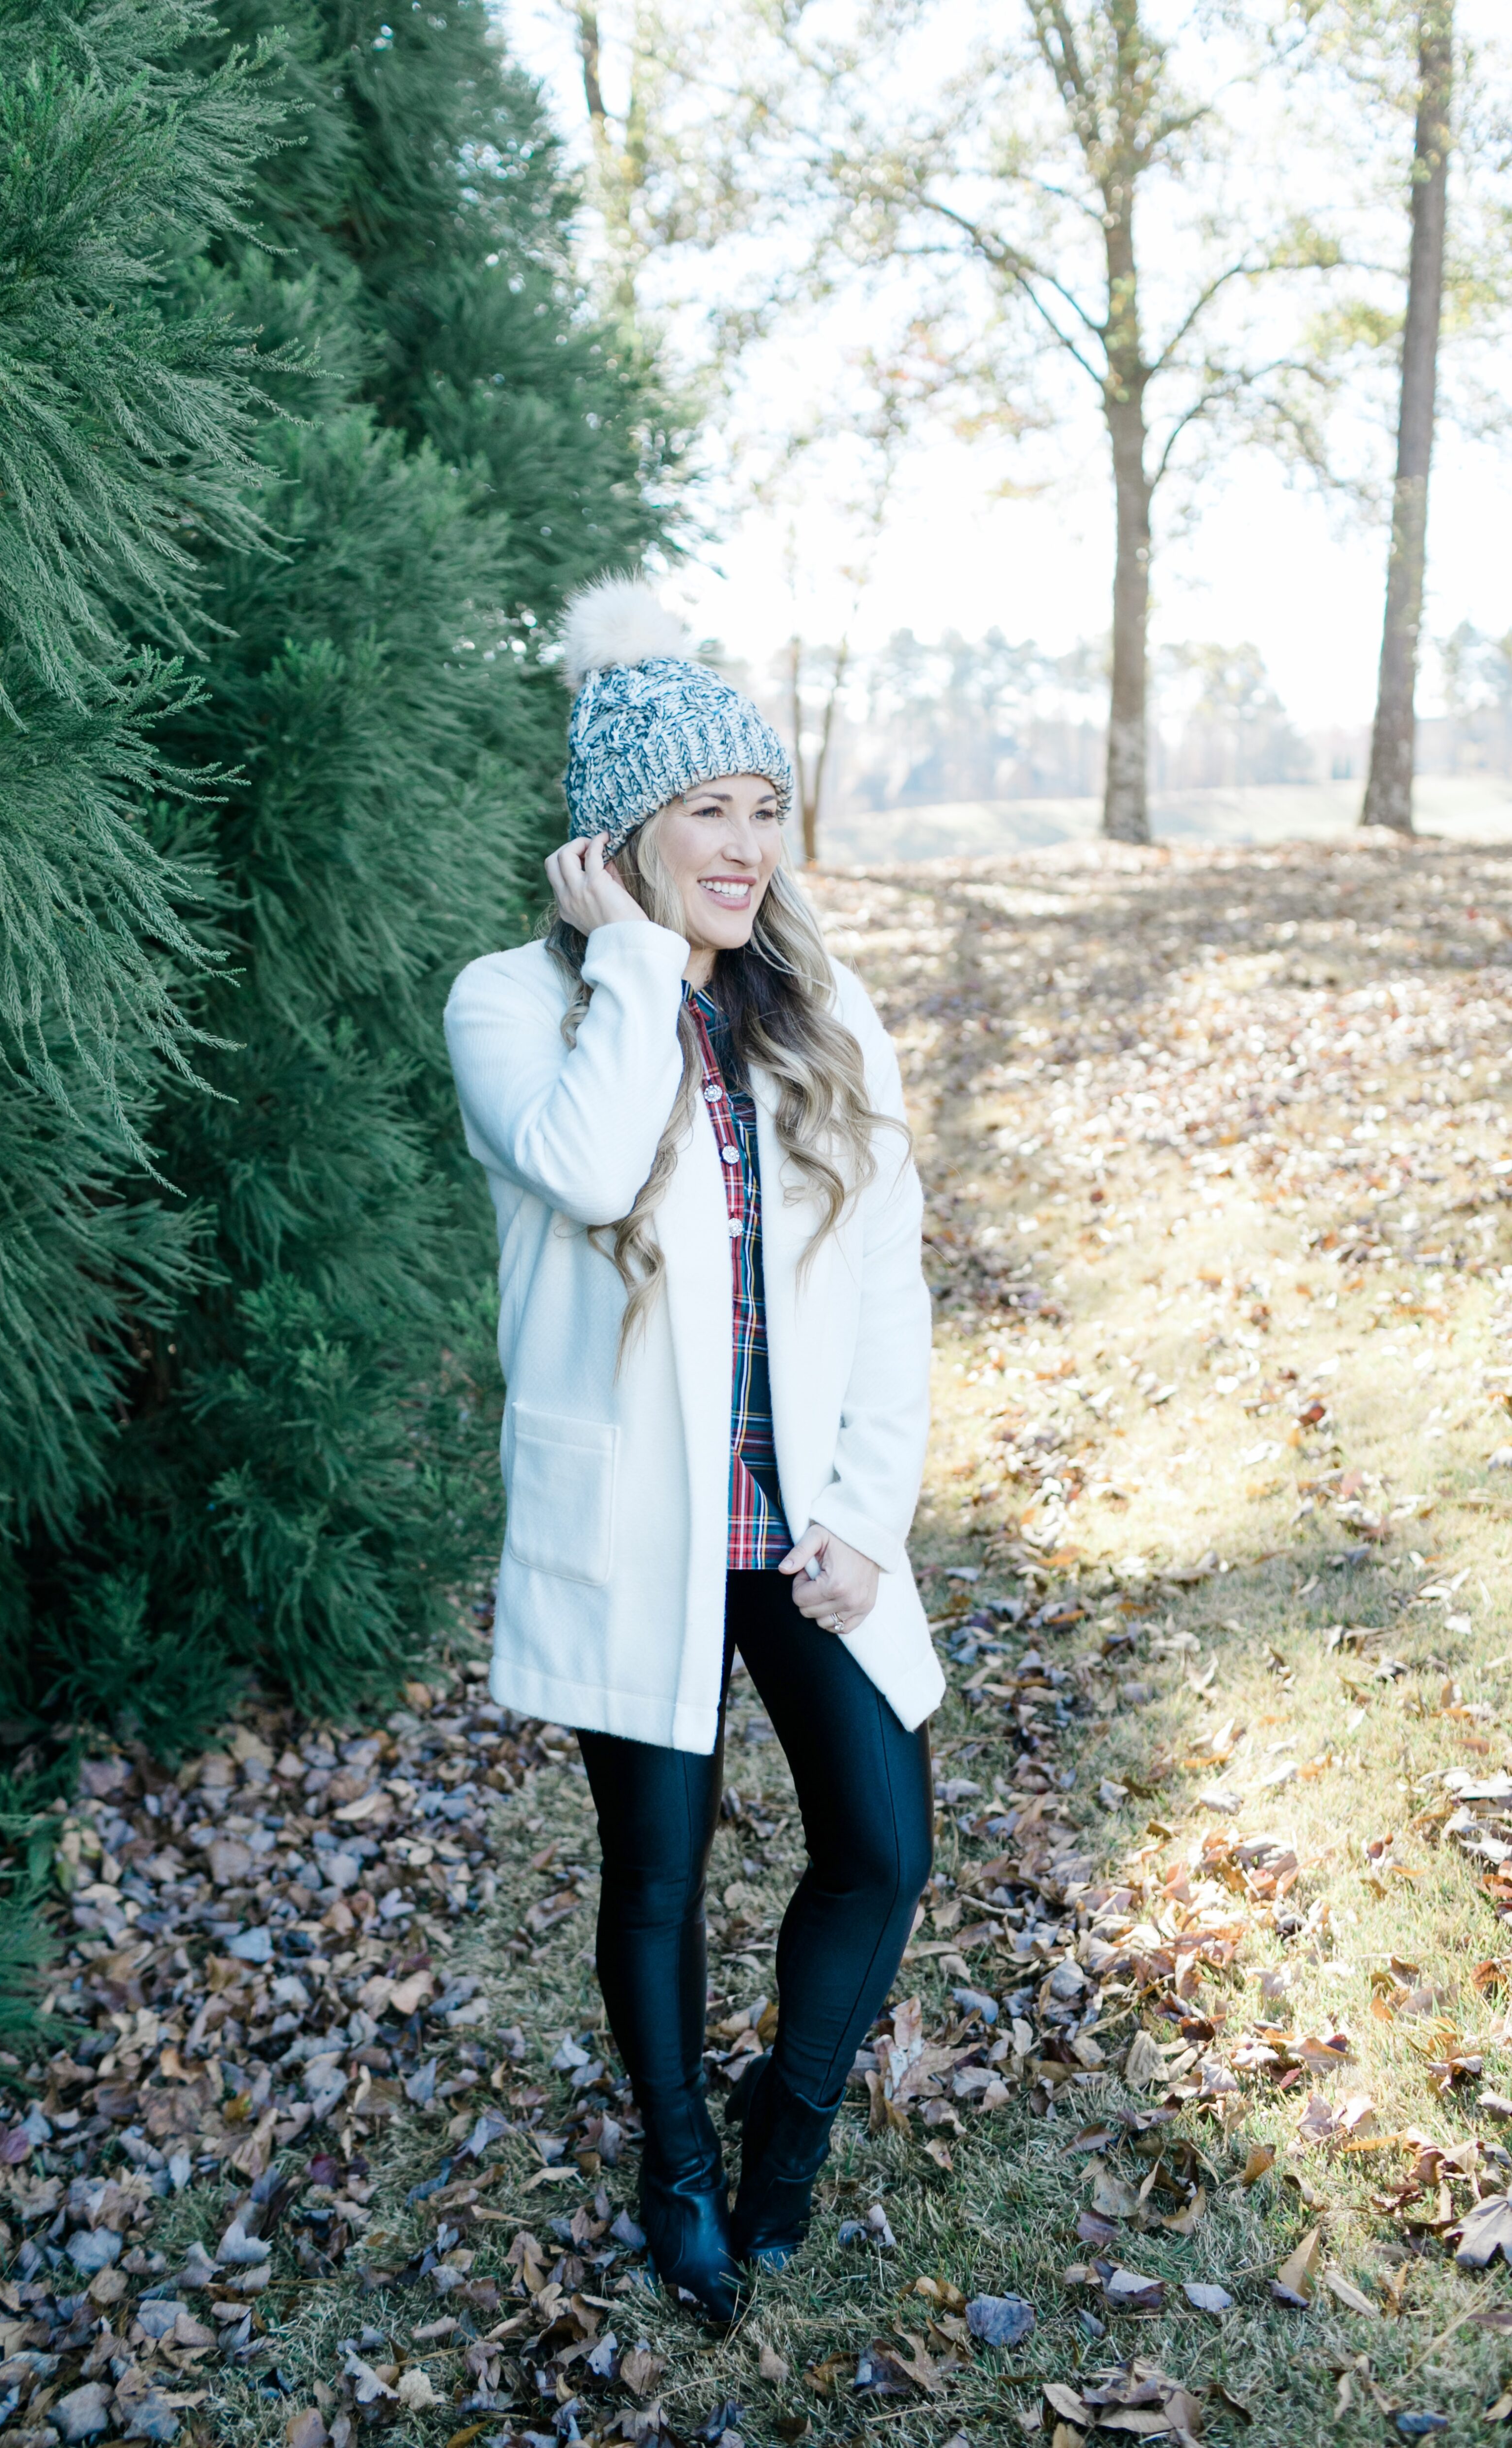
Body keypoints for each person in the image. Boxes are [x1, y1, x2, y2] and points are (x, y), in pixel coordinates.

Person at [444, 575, 942, 2323]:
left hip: (799, 1527)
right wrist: (641, 961)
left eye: (761, 810)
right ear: (621, 835)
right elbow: (585, 1167)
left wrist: (869, 1516)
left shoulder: (825, 1008)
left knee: (883, 1844)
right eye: (706, 815)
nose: (746, 849)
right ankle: (676, 2167)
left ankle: (781, 2126)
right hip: (641, 1526)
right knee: (657, 1874)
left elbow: (888, 1282)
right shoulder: (515, 1002)